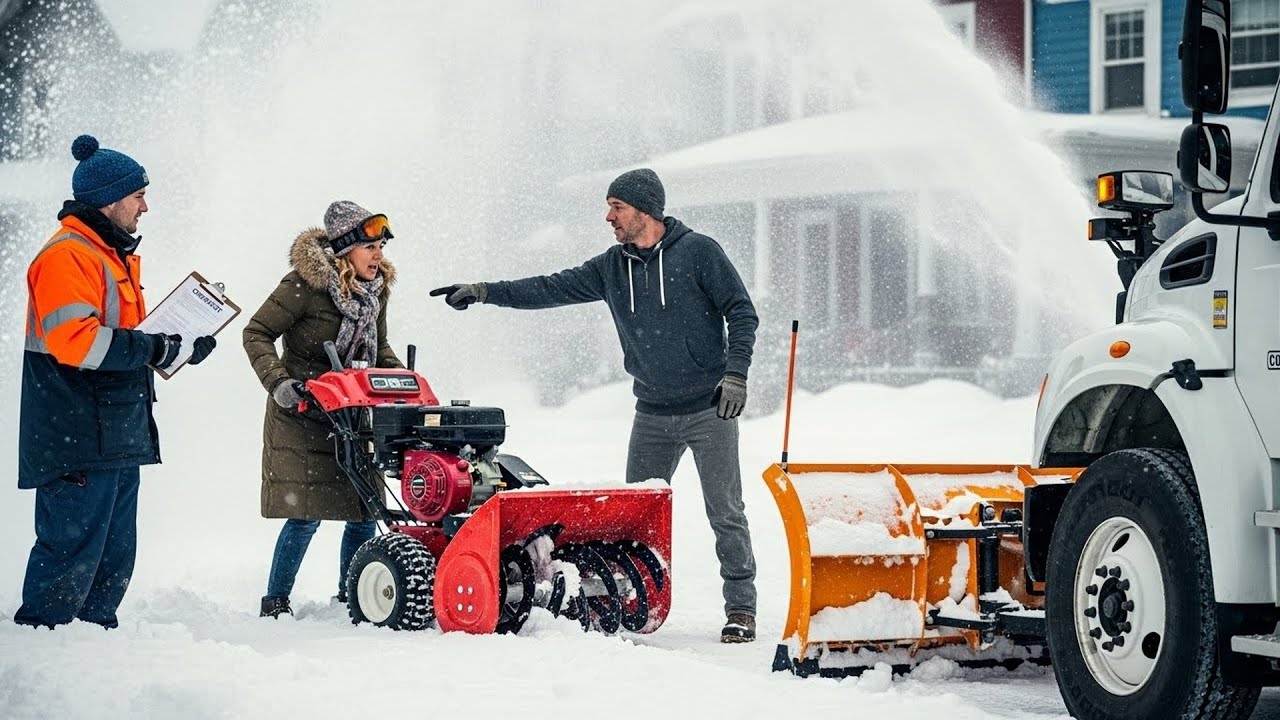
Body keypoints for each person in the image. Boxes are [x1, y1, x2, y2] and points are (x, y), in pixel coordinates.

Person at [430, 168, 760, 642]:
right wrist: (486, 292)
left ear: (644, 210)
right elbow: (548, 287)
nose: (609, 217)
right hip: (652, 412)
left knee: (725, 510)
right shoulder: (612, 267)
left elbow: (741, 311)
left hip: (709, 408)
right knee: (631, 515)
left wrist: (735, 374)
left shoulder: (699, 253)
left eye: (617, 207)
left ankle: (741, 609)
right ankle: (629, 595)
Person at [15, 134, 218, 629]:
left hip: (115, 432)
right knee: (72, 547)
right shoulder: (68, 256)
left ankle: (94, 637)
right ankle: (45, 643)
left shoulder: (110, 256)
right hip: (77, 432)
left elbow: (125, 343)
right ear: (109, 199)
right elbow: (78, 343)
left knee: (112, 551)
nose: (145, 206)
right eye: (138, 196)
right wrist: (152, 347)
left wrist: (180, 348)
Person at [243, 200, 402, 618]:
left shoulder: (374, 292)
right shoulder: (302, 286)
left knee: (363, 510)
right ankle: (275, 602)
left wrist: (406, 385)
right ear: (346, 248)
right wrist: (280, 384)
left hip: (352, 415)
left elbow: (379, 348)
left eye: (382, 246)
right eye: (371, 247)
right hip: (302, 410)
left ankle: (354, 594)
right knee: (305, 514)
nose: (379, 255)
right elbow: (256, 332)